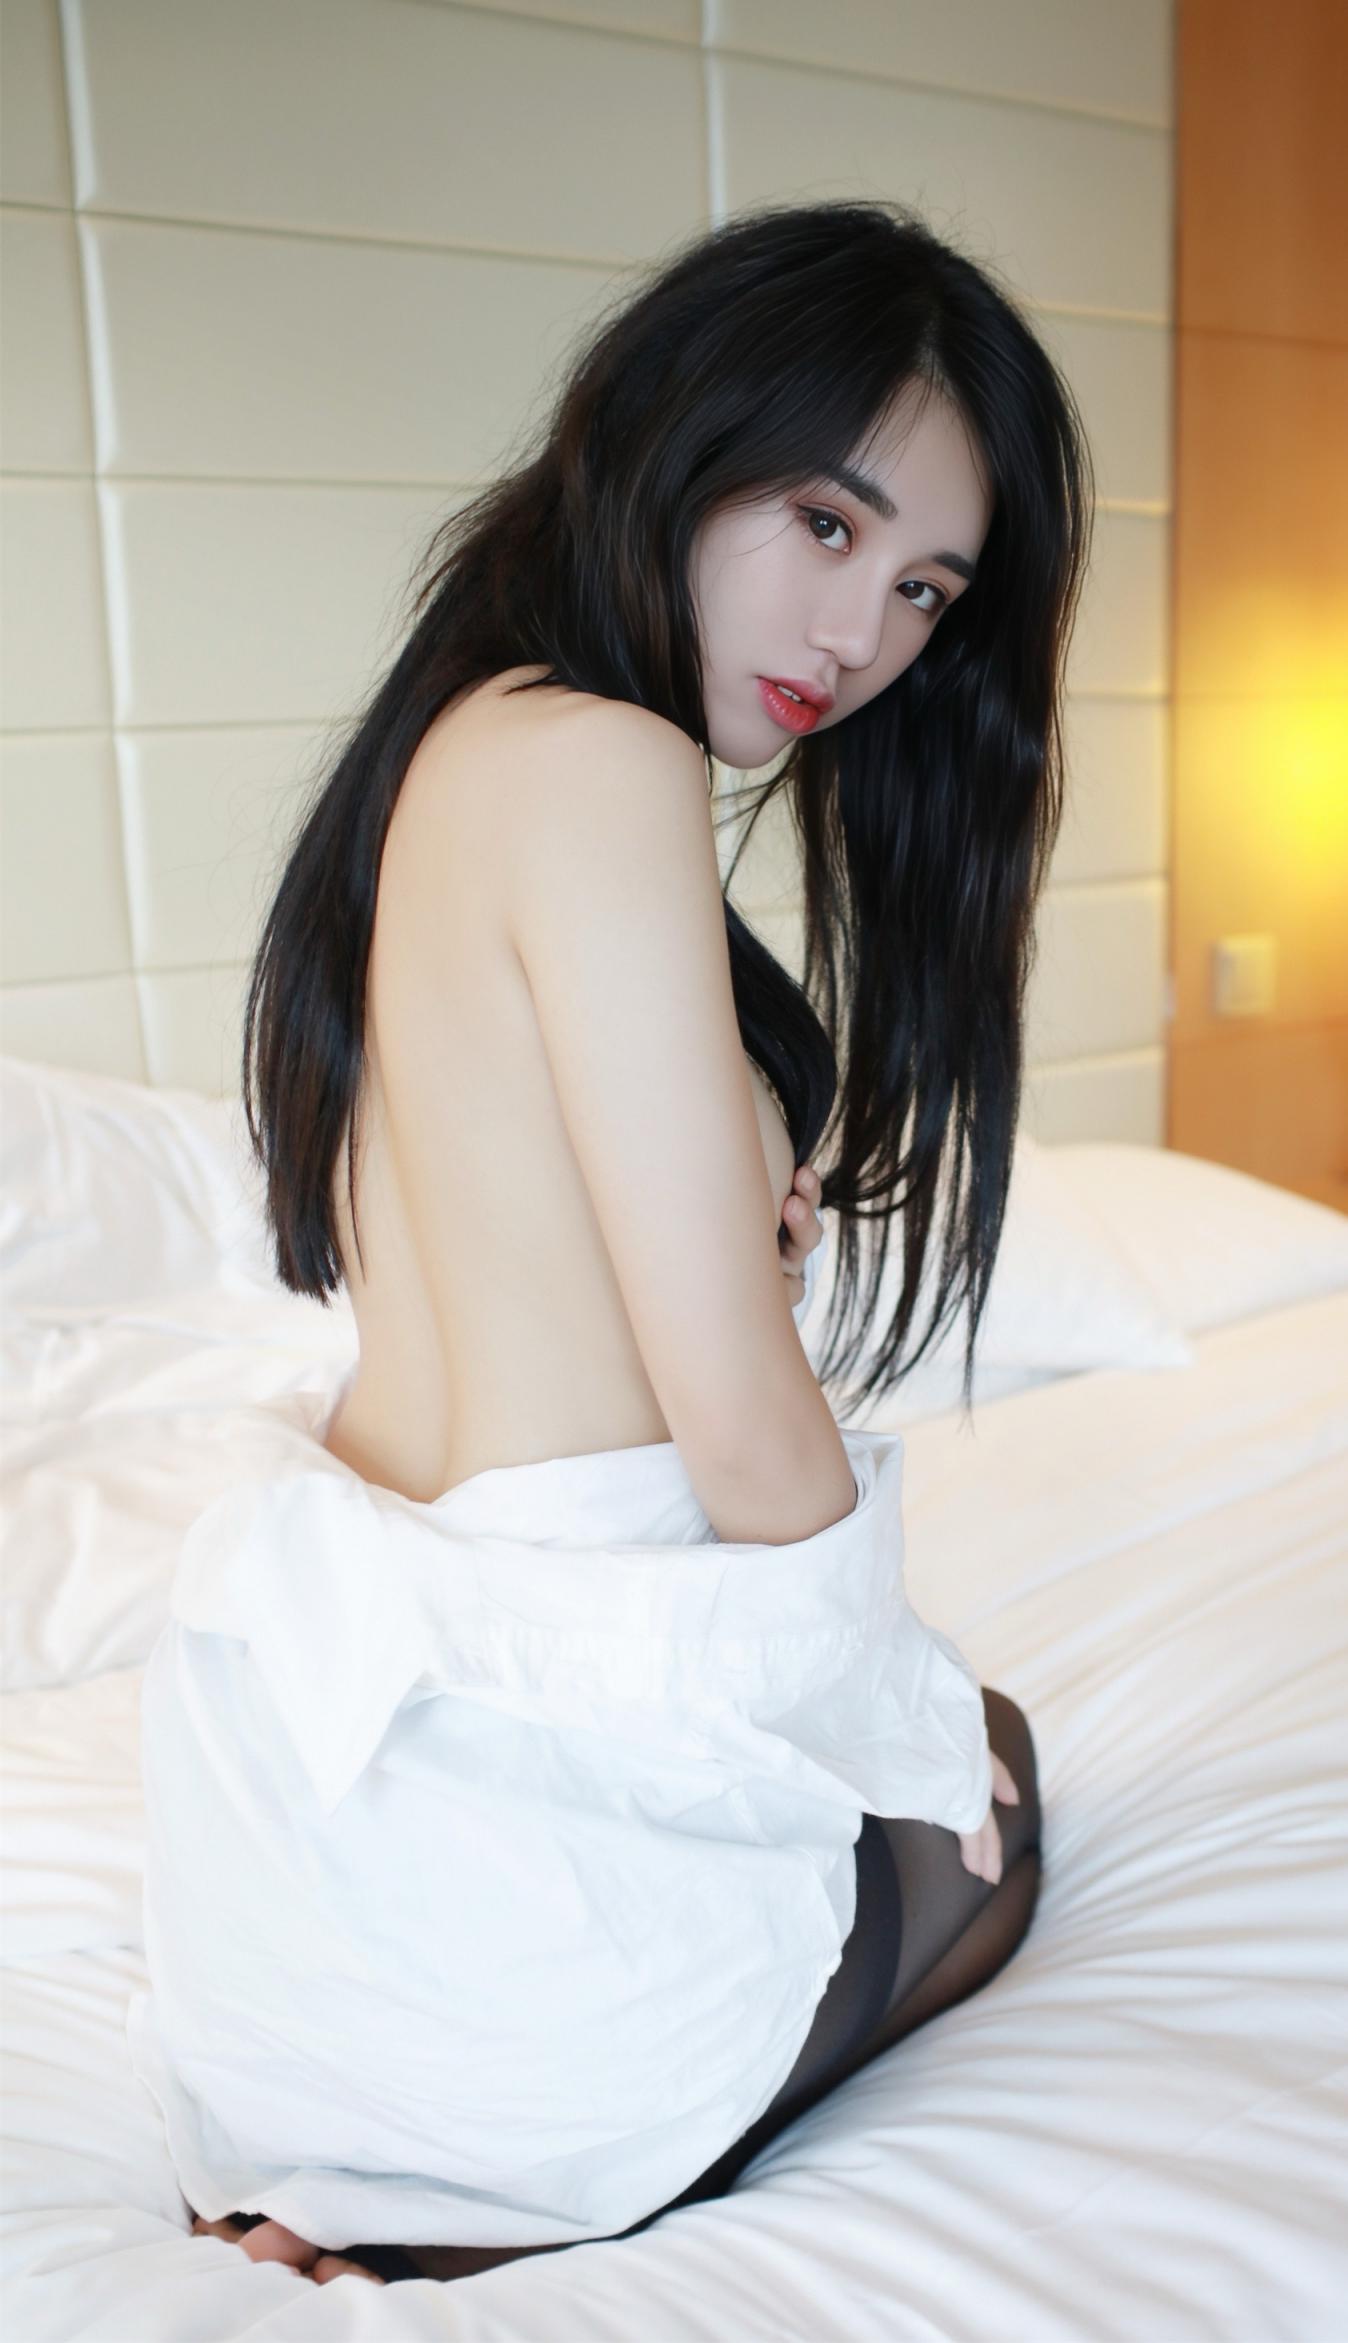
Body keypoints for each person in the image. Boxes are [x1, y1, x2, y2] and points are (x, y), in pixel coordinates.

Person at [139, 196, 1091, 2288]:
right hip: (523, 1859)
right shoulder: (613, 764)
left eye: (922, 587)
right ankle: (498, 2192)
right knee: (996, 1771)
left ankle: (397, 2159)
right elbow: (739, 1430)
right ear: (676, 435)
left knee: (939, 1768)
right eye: (824, 523)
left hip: (301, 1872)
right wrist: (915, 1720)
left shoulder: (455, 746)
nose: (859, 635)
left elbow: (524, 1234)